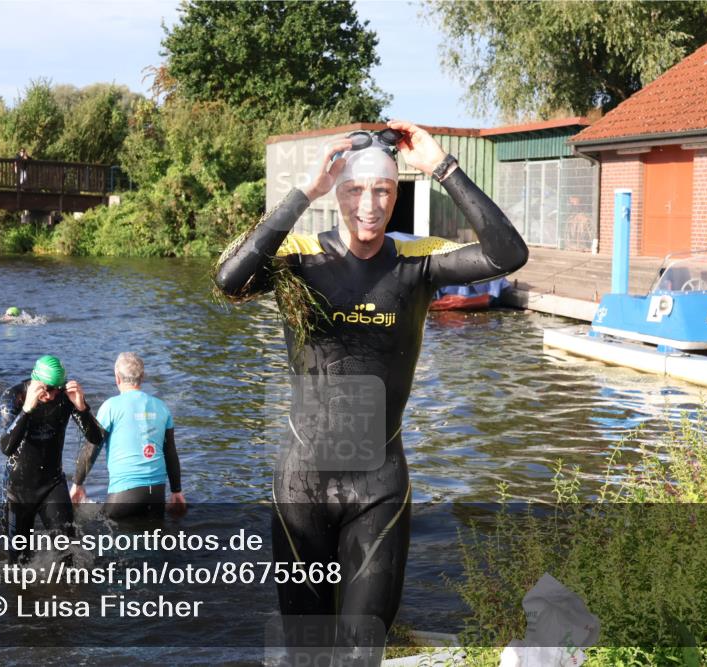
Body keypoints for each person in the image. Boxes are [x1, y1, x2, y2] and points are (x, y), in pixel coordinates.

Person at [214, 120, 529, 660]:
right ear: (338, 193)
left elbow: (507, 255)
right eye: (356, 190)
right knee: (308, 653)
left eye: (382, 190)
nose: (369, 204)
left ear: (397, 193)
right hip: (302, 488)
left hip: (378, 487)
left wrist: (442, 167)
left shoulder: (418, 261)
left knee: (363, 653)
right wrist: (303, 192)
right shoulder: (299, 257)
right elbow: (229, 278)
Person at [0, 354, 104, 564]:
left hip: (52, 484)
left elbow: (96, 438)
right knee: (18, 564)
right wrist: (27, 410)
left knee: (68, 556)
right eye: (45, 389)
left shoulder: (65, 397)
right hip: (17, 490)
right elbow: (6, 446)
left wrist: (82, 408)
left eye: (56, 389)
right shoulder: (13, 397)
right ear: (34, 380)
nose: (50, 395)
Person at [70, 352, 185, 519]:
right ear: (142, 377)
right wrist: (176, 491)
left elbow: (92, 447)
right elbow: (170, 452)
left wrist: (77, 484)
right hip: (157, 495)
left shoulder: (110, 407)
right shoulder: (162, 407)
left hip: (123, 495)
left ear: (117, 377)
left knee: (102, 534)